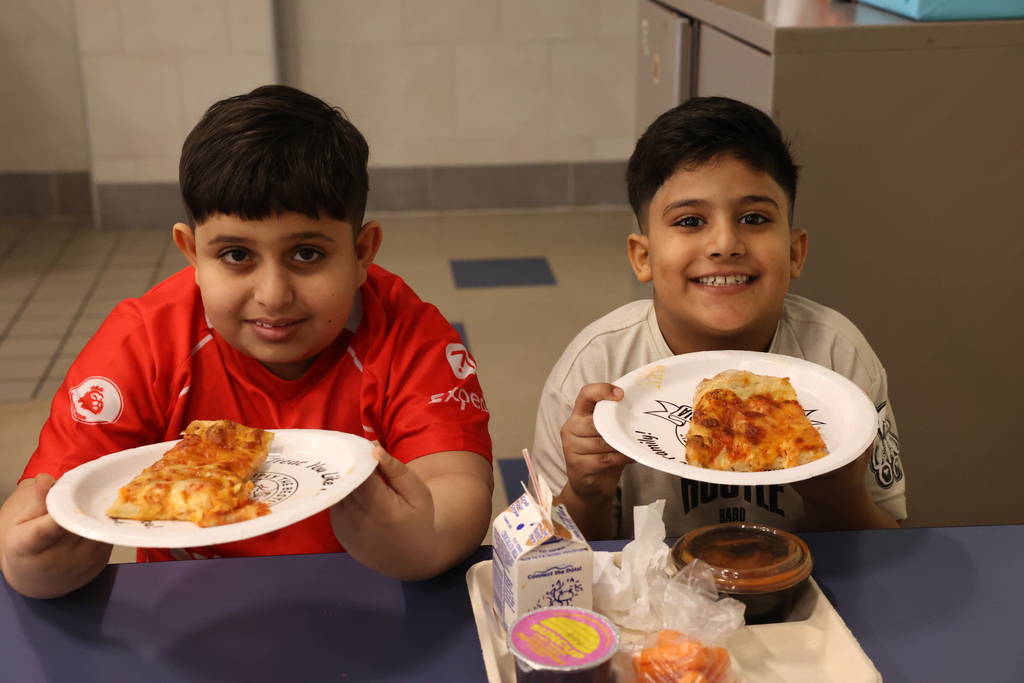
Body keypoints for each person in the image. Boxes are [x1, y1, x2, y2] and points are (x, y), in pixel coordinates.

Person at [0, 85, 494, 598]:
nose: (273, 295)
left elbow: (457, 485)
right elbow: (46, 498)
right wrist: (32, 560)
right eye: (236, 255)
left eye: (307, 254)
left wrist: (426, 539)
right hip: (189, 609)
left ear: (361, 253)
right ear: (192, 254)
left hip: (368, 603)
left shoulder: (409, 336)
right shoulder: (144, 342)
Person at [532, 97, 905, 541]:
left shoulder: (838, 359)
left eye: (754, 218)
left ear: (794, 252)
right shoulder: (596, 370)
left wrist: (839, 497)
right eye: (690, 221)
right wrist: (586, 494)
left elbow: (888, 547)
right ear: (643, 257)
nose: (725, 244)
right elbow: (550, 557)